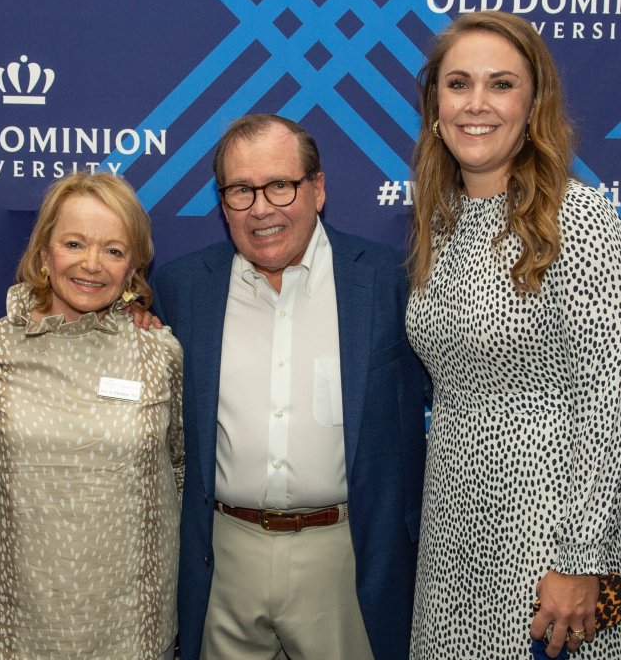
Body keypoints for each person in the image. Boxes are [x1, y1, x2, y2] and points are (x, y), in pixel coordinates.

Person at [405, 11, 621, 659]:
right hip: (454, 536)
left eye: (501, 84)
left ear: (534, 105)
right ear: (435, 105)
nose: (476, 103)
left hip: (555, 550)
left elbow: (607, 403)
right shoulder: (440, 223)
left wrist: (579, 560)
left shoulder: (580, 220)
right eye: (458, 84)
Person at [153, 114, 427, 660]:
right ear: (222, 201)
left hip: (346, 558)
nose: (261, 208)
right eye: (241, 190)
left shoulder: (389, 281)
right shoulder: (182, 288)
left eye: (280, 185)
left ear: (318, 188)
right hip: (223, 558)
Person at [0, 171, 184, 660]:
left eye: (113, 250)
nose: (91, 264)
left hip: (135, 630)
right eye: (74, 243)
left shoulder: (159, 353)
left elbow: (182, 471)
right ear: (45, 253)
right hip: (20, 629)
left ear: (132, 267)